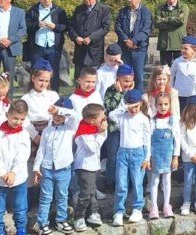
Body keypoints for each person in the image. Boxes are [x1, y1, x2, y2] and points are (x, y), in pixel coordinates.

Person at [33, 97, 78, 235]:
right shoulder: (47, 130)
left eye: (61, 115)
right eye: (55, 115)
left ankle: (61, 220)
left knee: (62, 196)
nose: (57, 117)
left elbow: (76, 116)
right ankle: (42, 223)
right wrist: (36, 168)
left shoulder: (70, 127)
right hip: (47, 168)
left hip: (63, 168)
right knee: (46, 197)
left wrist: (60, 110)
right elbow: (41, 149)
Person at [0, 100, 31, 235]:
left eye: (22, 119)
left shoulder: (24, 134)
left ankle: (21, 229)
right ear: (8, 115)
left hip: (18, 179)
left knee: (20, 207)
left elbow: (23, 156)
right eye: (15, 118)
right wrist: (2, 172)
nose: (18, 122)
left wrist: (13, 172)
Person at [25, 0, 69, 92]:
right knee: (36, 72)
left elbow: (66, 26)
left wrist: (55, 26)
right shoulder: (32, 11)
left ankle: (53, 96)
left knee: (53, 72)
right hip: (37, 47)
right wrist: (37, 25)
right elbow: (26, 27)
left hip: (53, 46)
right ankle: (35, 95)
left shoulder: (59, 11)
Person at [75, 103, 109, 231]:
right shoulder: (84, 131)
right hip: (84, 166)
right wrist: (100, 134)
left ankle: (93, 213)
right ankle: (79, 216)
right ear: (93, 120)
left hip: (93, 165)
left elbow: (102, 140)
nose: (105, 118)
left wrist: (102, 132)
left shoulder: (95, 128)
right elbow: (92, 149)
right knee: (86, 193)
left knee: (92, 191)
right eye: (102, 116)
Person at [102, 64, 135, 192]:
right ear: (118, 79)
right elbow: (110, 107)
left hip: (128, 130)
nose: (128, 84)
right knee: (113, 156)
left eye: (130, 81)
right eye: (125, 81)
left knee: (128, 157)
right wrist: (119, 92)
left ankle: (128, 182)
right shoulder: (111, 90)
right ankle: (110, 182)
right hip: (114, 130)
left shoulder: (133, 92)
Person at [147, 92, 180, 220]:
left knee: (167, 180)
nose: (163, 107)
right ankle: (154, 206)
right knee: (154, 181)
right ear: (155, 106)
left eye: (166, 104)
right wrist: (148, 156)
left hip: (168, 155)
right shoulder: (153, 121)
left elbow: (177, 139)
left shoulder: (173, 120)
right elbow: (148, 140)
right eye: (160, 104)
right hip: (156, 156)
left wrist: (176, 156)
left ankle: (167, 205)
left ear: (170, 105)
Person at [68, 0, 112, 79]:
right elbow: (71, 26)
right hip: (80, 50)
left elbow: (105, 27)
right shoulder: (79, 9)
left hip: (94, 50)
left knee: (92, 79)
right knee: (79, 78)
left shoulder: (104, 9)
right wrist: (76, 37)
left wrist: (91, 38)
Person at [114, 0, 153, 88]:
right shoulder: (123, 11)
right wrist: (126, 40)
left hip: (139, 50)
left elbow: (146, 30)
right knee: (124, 74)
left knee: (138, 77)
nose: (128, 0)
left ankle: (138, 100)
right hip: (124, 48)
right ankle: (123, 99)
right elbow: (117, 27)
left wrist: (133, 41)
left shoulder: (146, 12)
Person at [21, 60, 60, 136]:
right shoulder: (26, 98)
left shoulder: (53, 95)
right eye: (41, 80)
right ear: (33, 78)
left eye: (46, 81)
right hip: (32, 132)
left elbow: (60, 113)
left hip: (51, 130)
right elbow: (24, 119)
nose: (43, 84)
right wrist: (34, 136)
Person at [154, 0, 189, 67]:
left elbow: (181, 21)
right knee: (165, 70)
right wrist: (174, 21)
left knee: (180, 69)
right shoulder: (160, 8)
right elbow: (157, 23)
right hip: (164, 45)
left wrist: (165, 19)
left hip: (179, 44)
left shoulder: (183, 7)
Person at [172, 36, 196, 112]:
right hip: (179, 95)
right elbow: (171, 75)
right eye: (182, 48)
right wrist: (171, 89)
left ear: (194, 50)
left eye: (186, 48)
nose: (183, 50)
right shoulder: (177, 61)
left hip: (192, 95)